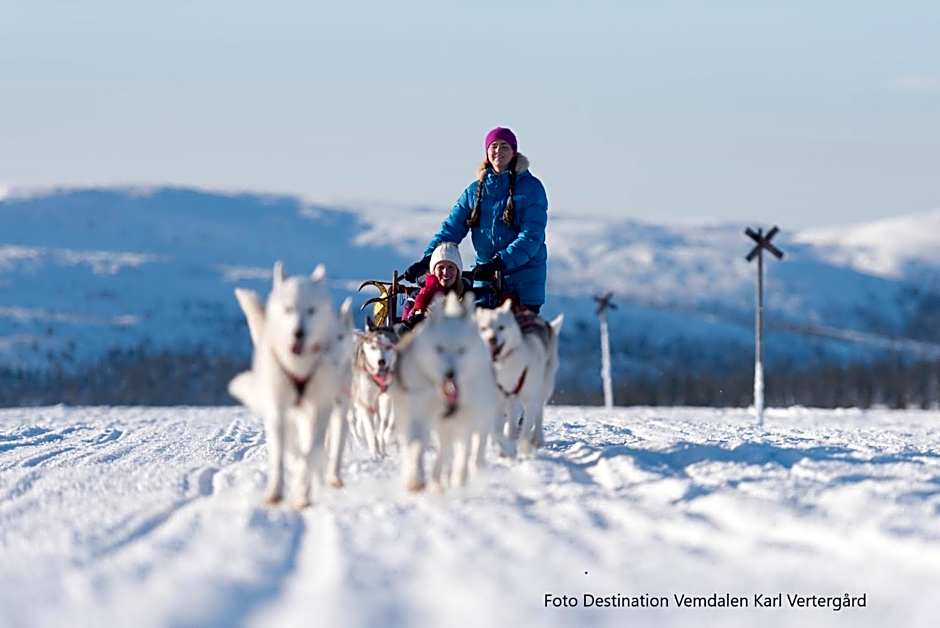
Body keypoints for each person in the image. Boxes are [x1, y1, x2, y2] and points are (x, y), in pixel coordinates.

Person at [401, 127, 548, 315]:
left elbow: (531, 236)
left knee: (516, 337)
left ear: (514, 151)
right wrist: (429, 258)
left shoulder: (531, 189)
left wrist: (500, 262)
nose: (498, 151)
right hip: (486, 281)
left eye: (504, 147)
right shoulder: (474, 191)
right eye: (493, 146)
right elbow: (451, 229)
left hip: (523, 282)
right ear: (487, 152)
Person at [401, 242, 468, 326]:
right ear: (433, 271)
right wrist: (416, 315)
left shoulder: (468, 295)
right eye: (441, 267)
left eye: (450, 267)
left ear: (458, 271)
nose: (445, 272)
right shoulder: (416, 297)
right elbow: (402, 330)